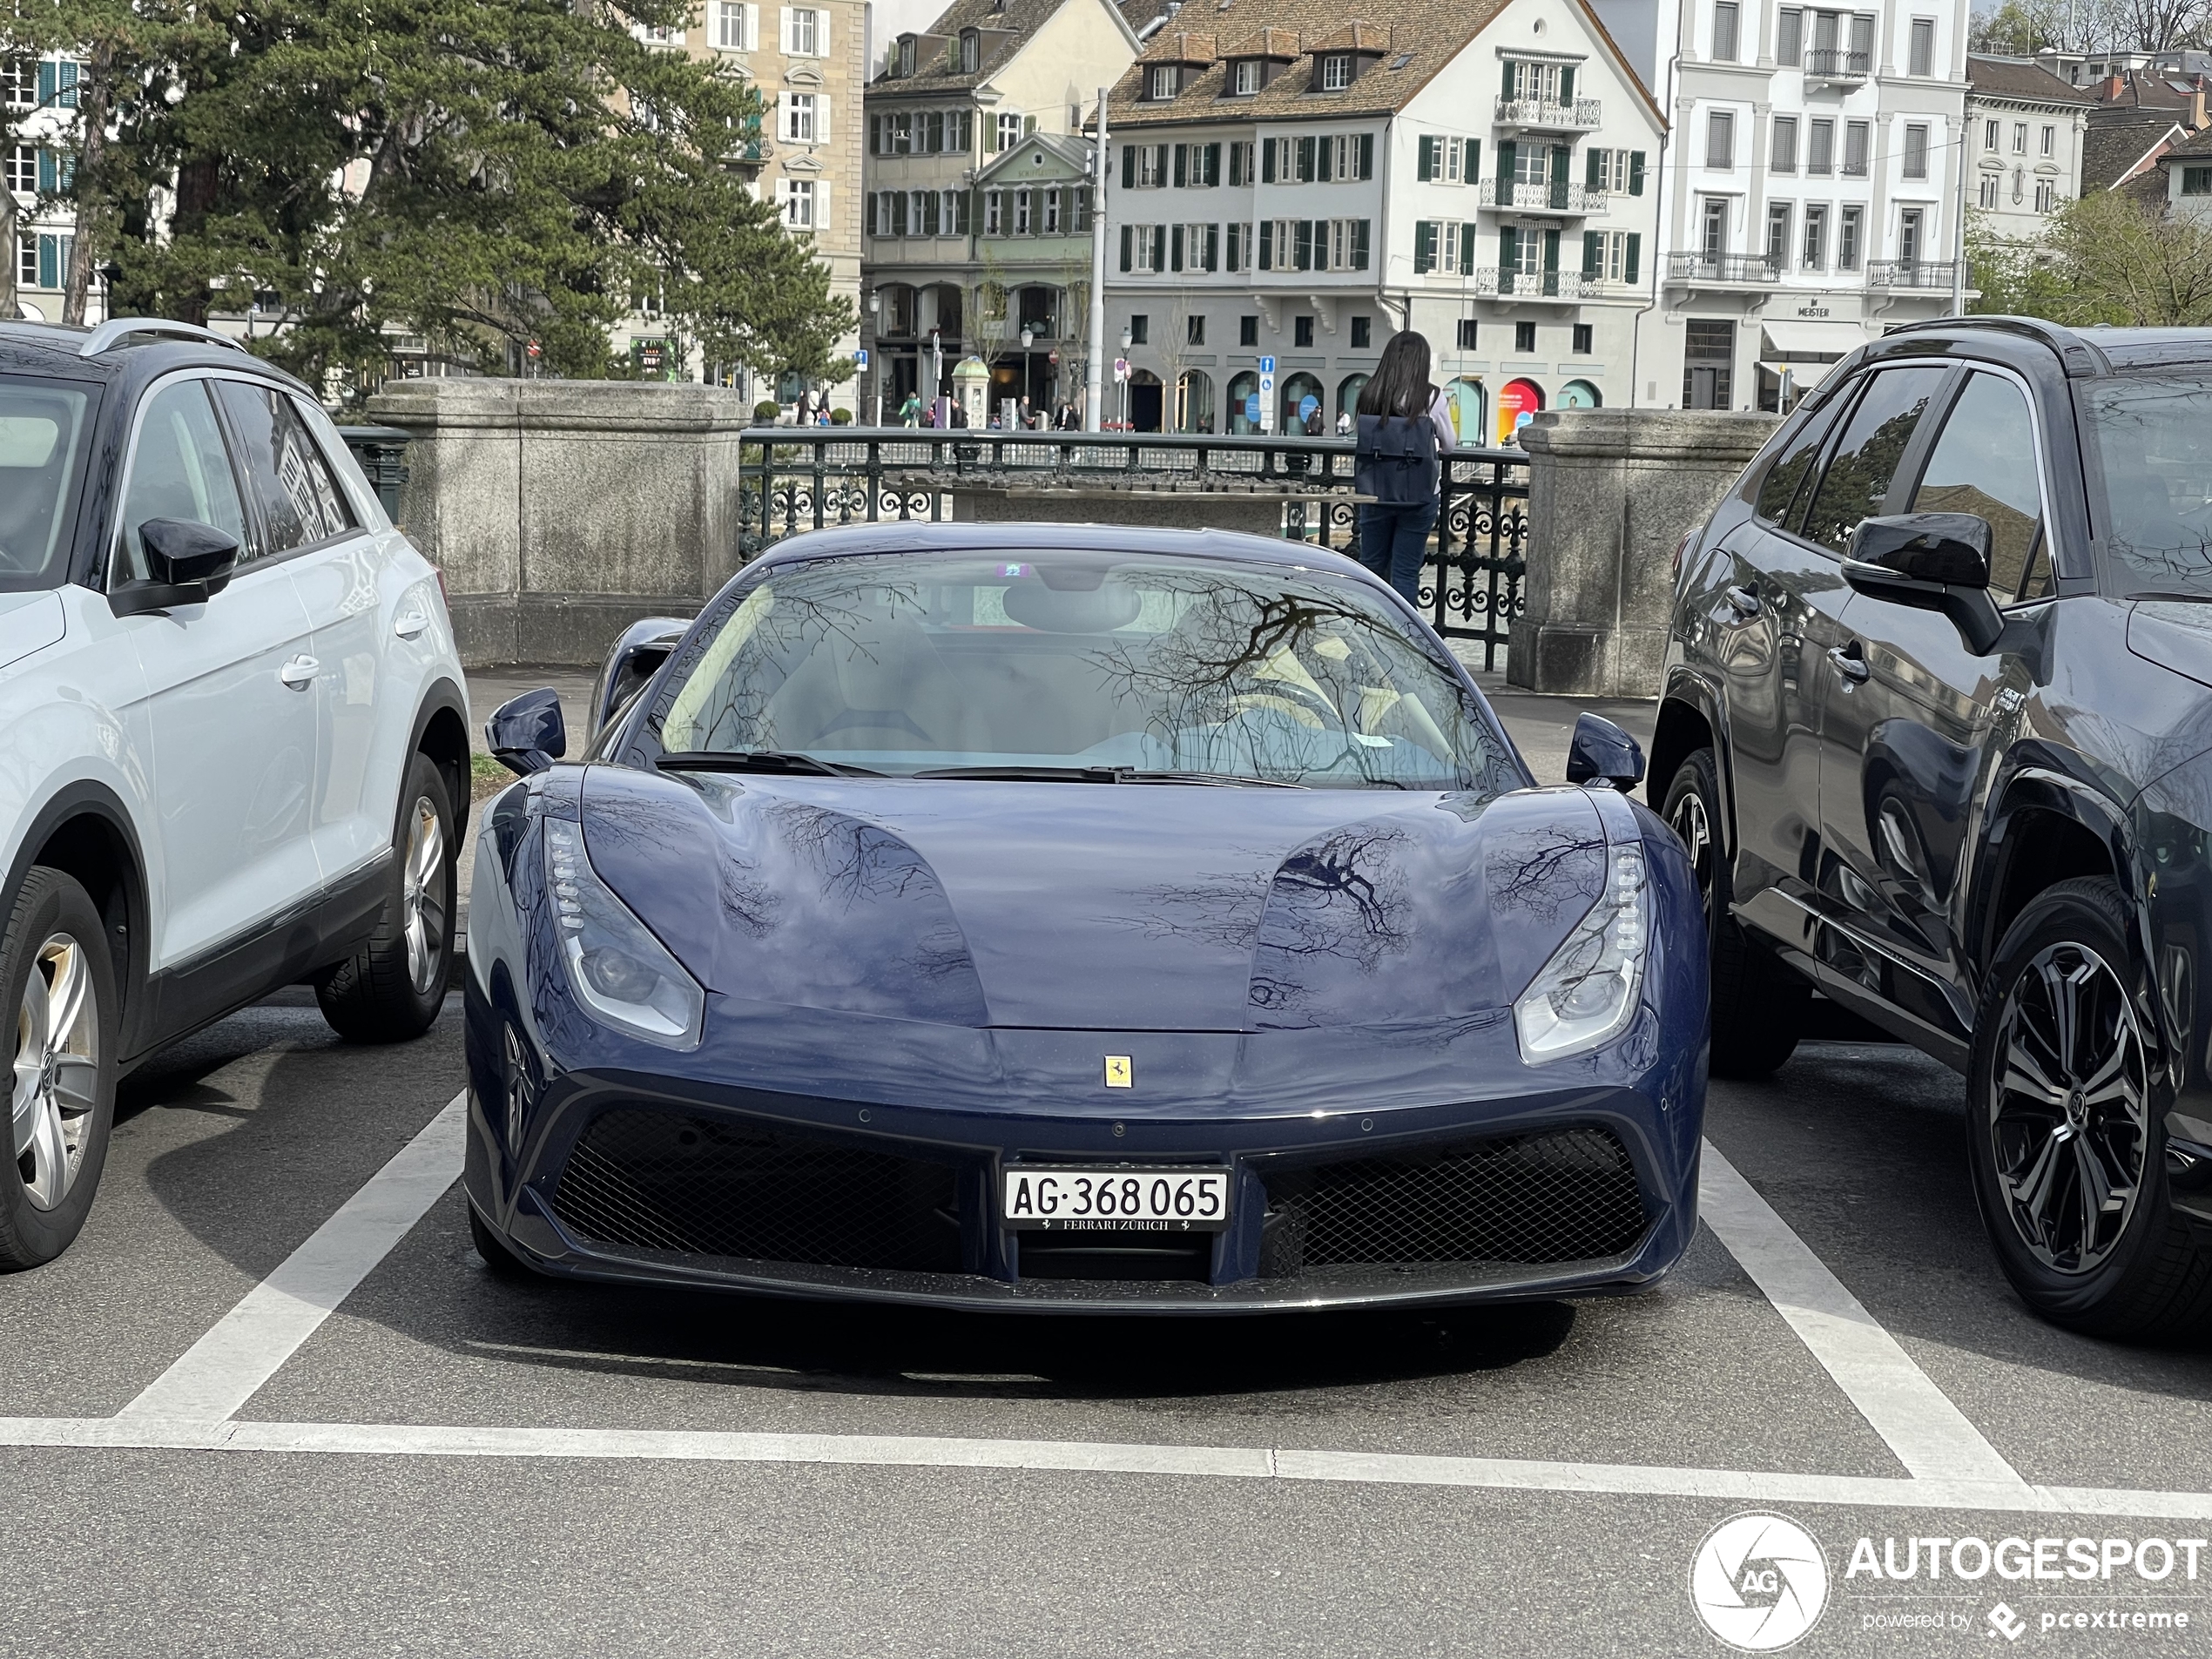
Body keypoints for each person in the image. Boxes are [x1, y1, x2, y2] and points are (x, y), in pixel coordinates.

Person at [1352, 331, 1455, 607]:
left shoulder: (1370, 393)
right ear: (1421, 362)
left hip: (1376, 490)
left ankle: (1366, 628)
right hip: (1418, 494)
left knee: (1371, 566)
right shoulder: (1431, 397)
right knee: (1406, 574)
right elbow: (1450, 444)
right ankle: (1403, 639)